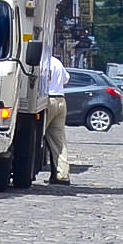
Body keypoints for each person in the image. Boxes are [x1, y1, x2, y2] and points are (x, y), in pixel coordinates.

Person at [42, 51, 70, 186]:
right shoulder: (57, 62)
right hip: (61, 100)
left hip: (48, 100)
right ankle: (62, 174)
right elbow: (66, 79)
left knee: (37, 137)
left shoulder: (44, 62)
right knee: (59, 140)